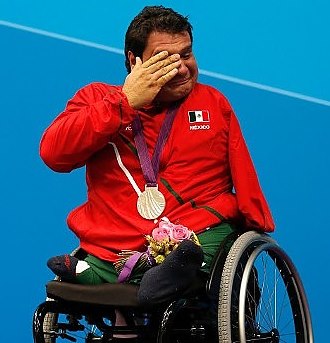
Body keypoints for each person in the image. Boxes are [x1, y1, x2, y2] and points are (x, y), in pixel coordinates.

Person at [40, 5, 274, 308]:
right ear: (133, 61)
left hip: (196, 232)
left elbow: (244, 175)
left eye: (187, 55)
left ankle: (141, 273)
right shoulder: (97, 99)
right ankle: (131, 272)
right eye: (165, 59)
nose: (180, 68)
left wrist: (257, 222)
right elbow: (54, 154)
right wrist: (124, 103)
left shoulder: (213, 104)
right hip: (117, 240)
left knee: (198, 248)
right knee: (124, 258)